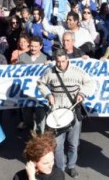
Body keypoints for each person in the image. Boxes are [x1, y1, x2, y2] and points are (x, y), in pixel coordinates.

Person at [37, 48, 96, 178]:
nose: (61, 64)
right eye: (58, 62)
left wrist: (82, 93)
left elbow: (90, 82)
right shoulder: (49, 72)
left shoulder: (77, 71)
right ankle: (60, 169)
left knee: (73, 143)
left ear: (67, 59)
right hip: (56, 113)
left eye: (63, 61)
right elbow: (40, 83)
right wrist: (48, 95)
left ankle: (71, 166)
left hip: (73, 110)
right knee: (57, 145)